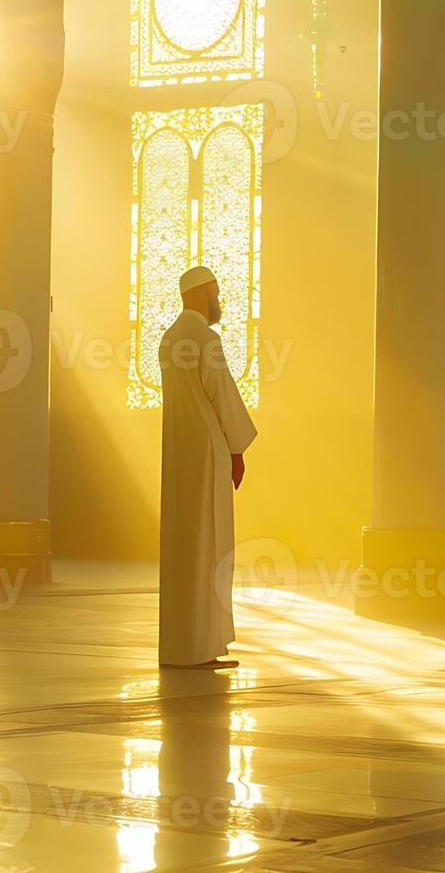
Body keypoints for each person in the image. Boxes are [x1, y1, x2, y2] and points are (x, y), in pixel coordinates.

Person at [159, 266, 257, 669]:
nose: (219, 301)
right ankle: (202, 647)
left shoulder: (168, 339)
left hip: (177, 452)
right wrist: (236, 450)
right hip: (206, 450)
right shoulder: (206, 338)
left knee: (182, 548)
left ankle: (181, 646)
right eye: (215, 293)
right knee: (210, 545)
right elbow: (222, 397)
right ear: (200, 294)